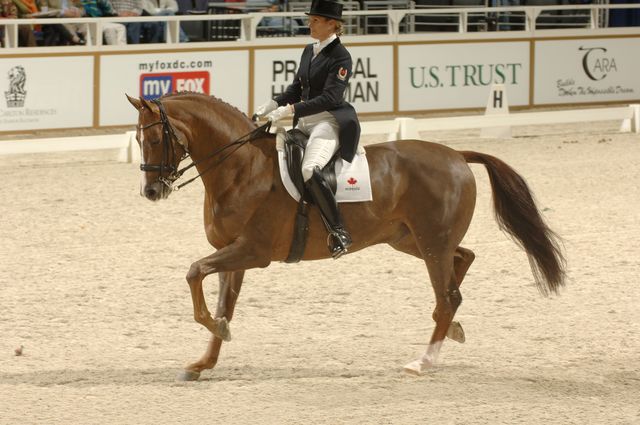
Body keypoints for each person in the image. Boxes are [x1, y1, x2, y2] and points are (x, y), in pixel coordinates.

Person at [254, 0, 360, 259]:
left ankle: (338, 231)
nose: (309, 24)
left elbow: (331, 98)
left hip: (328, 121)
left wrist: (291, 110)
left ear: (332, 24)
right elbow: (296, 89)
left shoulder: (341, 56)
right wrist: (273, 103)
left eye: (315, 20)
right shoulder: (308, 50)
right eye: (310, 19)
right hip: (304, 123)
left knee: (309, 169)